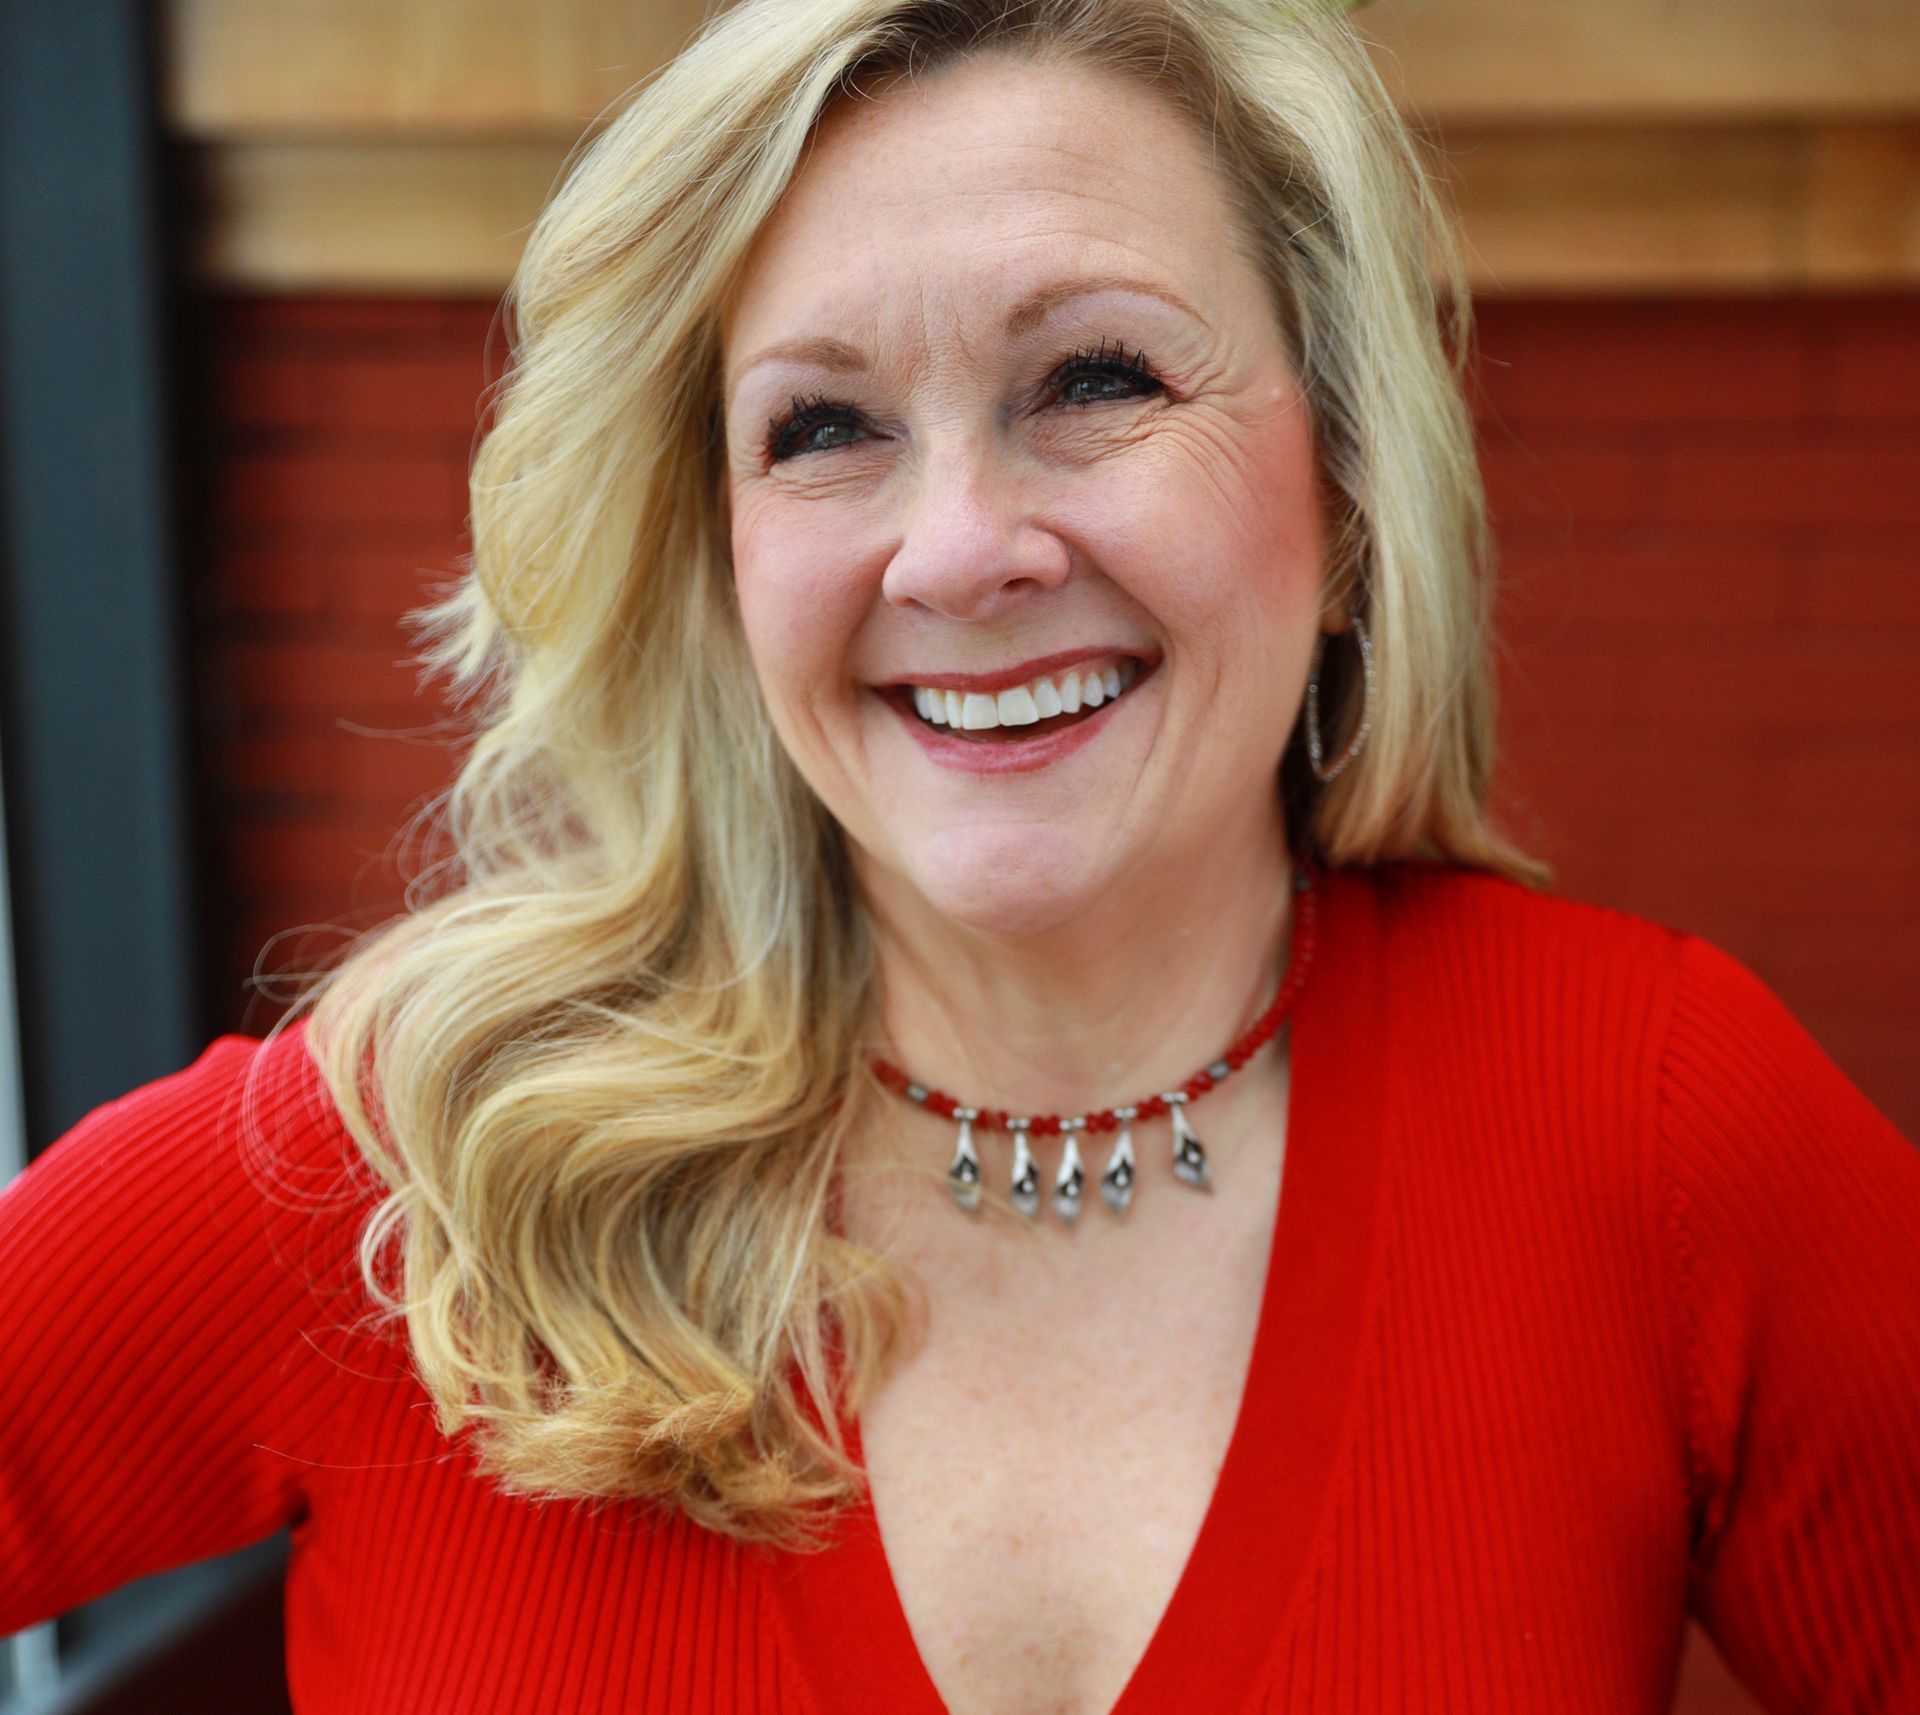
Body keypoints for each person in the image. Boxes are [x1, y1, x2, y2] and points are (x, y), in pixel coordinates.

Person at [4, 0, 1917, 1710]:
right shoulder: (414, 1174)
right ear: (719, 551)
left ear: (1345, 489)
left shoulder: (1658, 1129)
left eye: (1095, 381)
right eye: (823, 426)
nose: (955, 550)